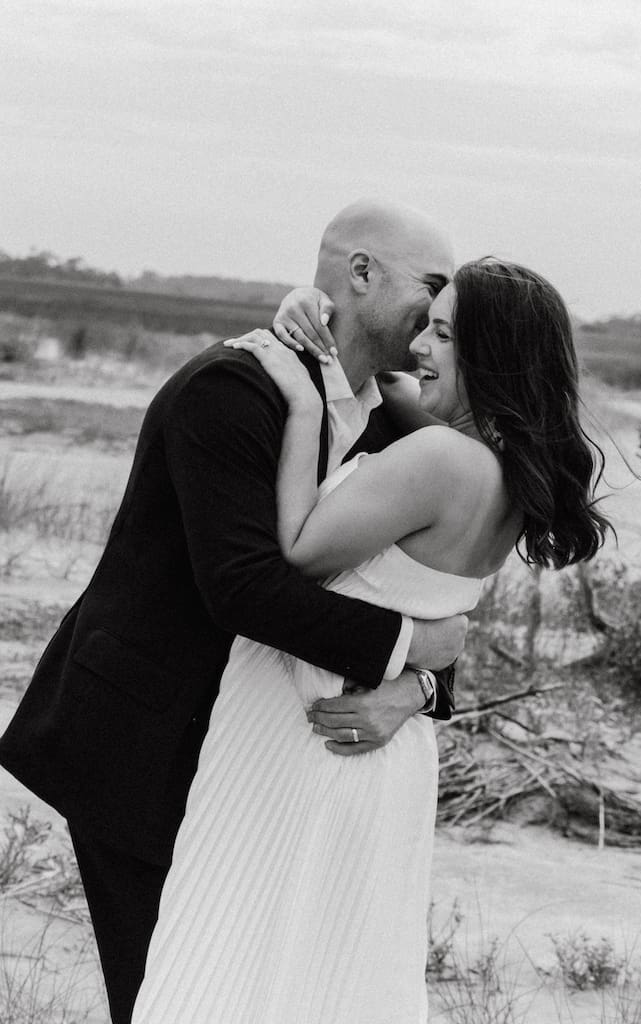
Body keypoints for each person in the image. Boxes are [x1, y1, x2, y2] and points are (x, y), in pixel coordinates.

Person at [0, 200, 469, 1024]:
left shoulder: (401, 425)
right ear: (360, 274)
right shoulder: (234, 388)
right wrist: (412, 644)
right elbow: (244, 589)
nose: (435, 316)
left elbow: (411, 584)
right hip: (143, 742)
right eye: (428, 288)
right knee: (166, 995)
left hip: (255, 759)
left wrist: (422, 684)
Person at [130, 258, 611, 1023]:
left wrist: (299, 403)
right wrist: (311, 312)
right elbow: (386, 387)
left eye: (444, 334)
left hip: (309, 741)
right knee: (331, 973)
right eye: (424, 323)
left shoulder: (436, 459)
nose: (420, 345)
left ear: (490, 356)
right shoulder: (505, 473)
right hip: (378, 752)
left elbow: (298, 550)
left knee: (246, 962)